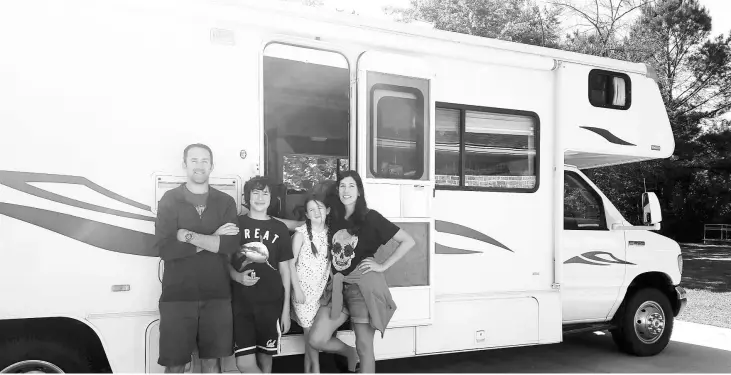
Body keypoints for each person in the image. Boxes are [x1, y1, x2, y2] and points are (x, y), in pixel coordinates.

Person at [308, 170, 415, 373]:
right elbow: (306, 226)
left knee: (365, 347)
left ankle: (358, 357)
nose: (346, 190)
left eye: (351, 186)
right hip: (338, 288)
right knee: (316, 339)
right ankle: (349, 353)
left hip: (362, 289)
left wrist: (382, 265)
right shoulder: (333, 217)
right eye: (342, 186)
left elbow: (408, 241)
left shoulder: (371, 217)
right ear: (337, 190)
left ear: (359, 191)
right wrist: (269, 220)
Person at [154, 143, 241, 373]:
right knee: (175, 365)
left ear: (212, 166)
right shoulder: (170, 200)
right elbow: (165, 249)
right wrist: (214, 239)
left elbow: (230, 244)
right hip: (177, 297)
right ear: (184, 164)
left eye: (204, 161)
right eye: (194, 160)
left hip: (217, 296)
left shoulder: (225, 202)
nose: (199, 166)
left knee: (212, 365)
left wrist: (187, 236)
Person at [229, 176, 293, 373]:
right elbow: (224, 261)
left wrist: (285, 311)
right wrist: (238, 277)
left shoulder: (279, 228)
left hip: (271, 305)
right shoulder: (236, 224)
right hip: (241, 305)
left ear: (271, 198)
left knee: (266, 361)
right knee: (244, 363)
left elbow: (285, 270)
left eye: (265, 193)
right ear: (247, 196)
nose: (260, 197)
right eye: (255, 192)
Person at [290, 183, 335, 373]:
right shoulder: (300, 234)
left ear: (328, 210)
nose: (316, 212)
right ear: (306, 215)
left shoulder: (332, 234)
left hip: (320, 294)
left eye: (320, 208)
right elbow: (290, 264)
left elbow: (332, 265)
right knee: (310, 337)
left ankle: (310, 370)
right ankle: (315, 370)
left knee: (312, 339)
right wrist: (297, 290)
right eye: (311, 210)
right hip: (304, 295)